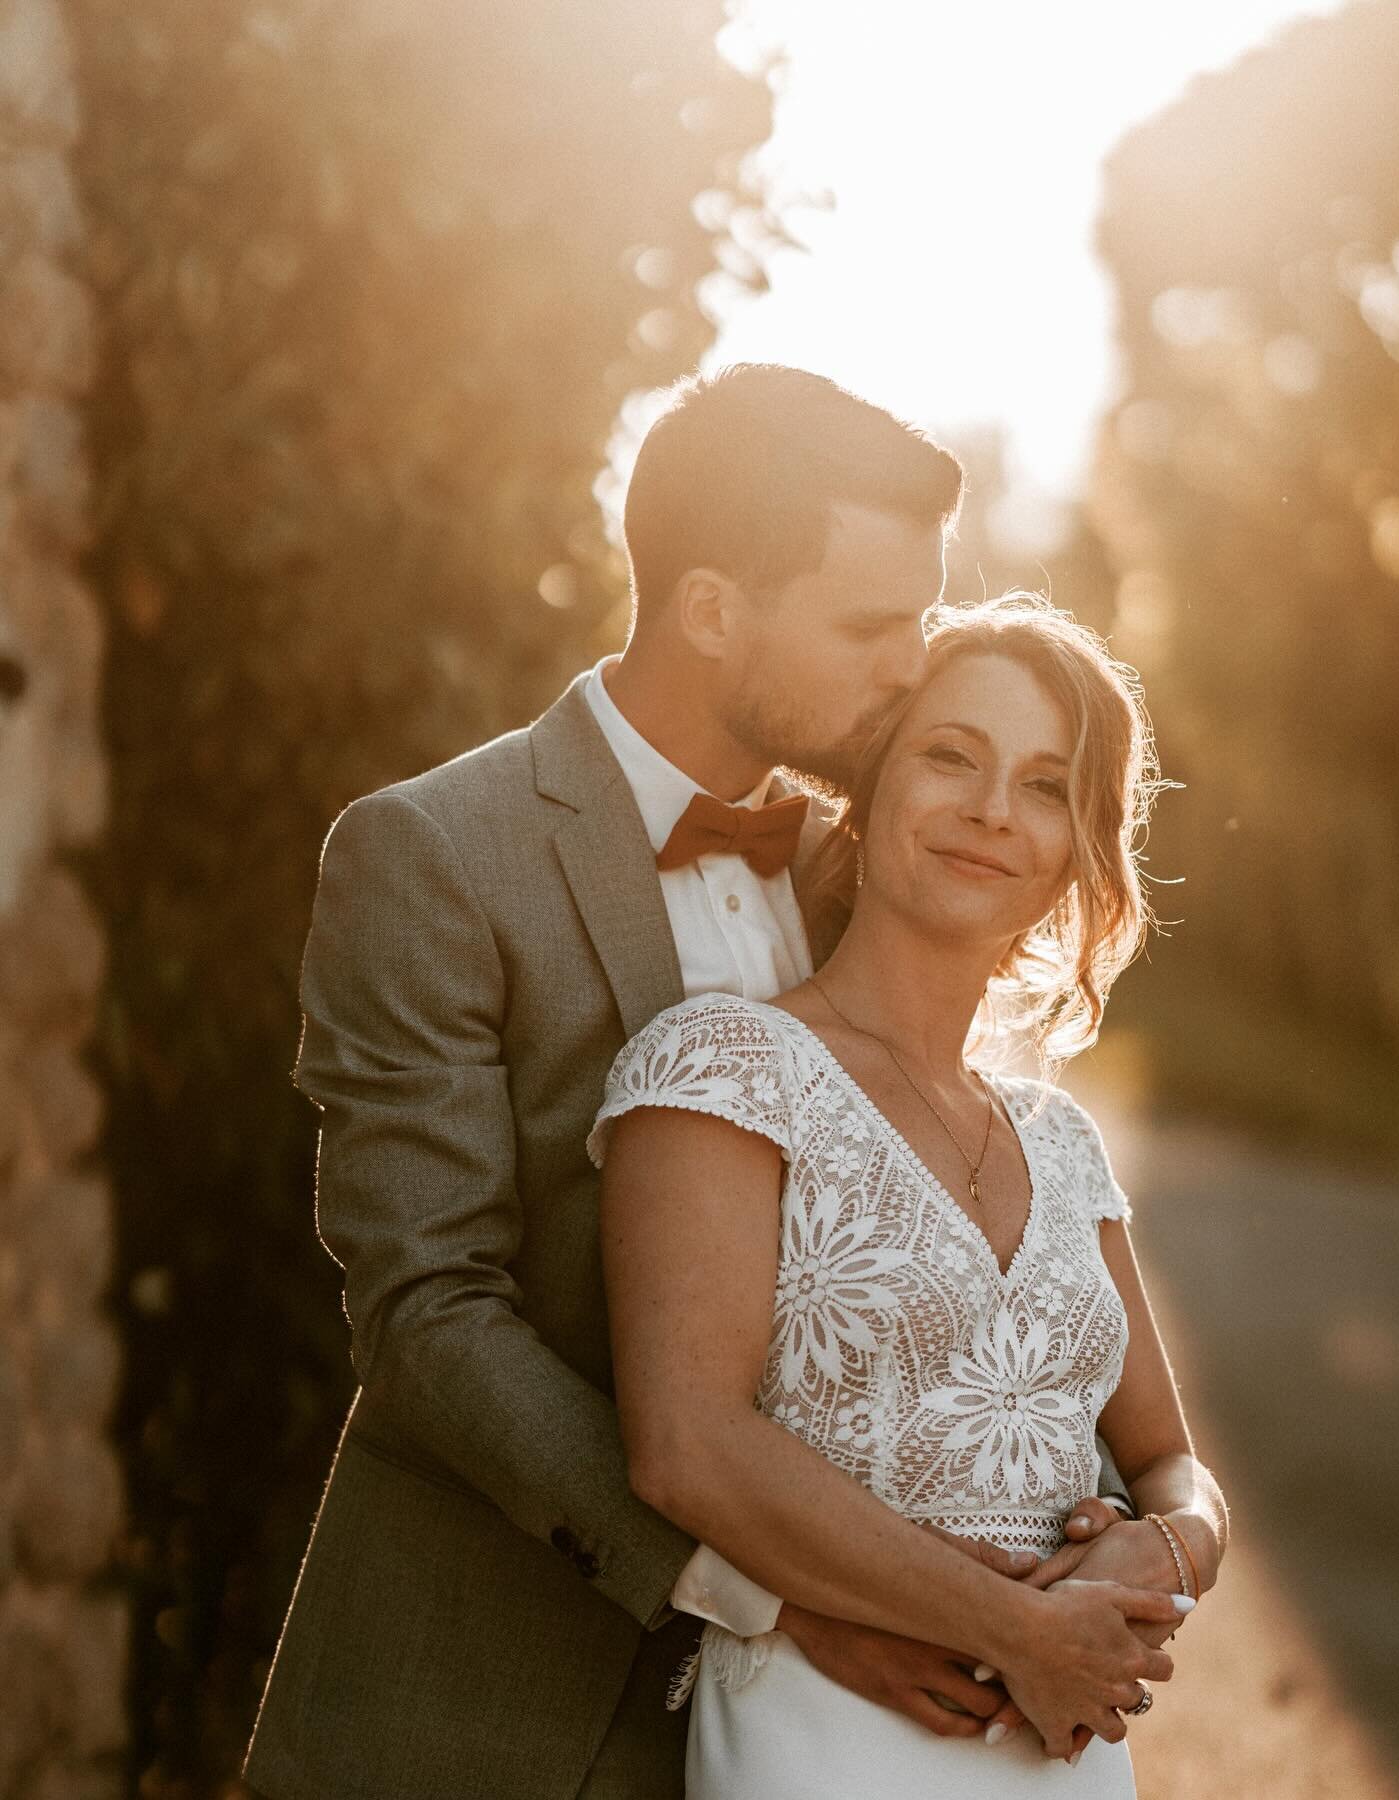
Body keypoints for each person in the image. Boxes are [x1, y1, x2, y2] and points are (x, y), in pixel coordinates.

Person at [247, 364, 1023, 1800]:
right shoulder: (430, 859)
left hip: (828, 1745)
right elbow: (428, 1317)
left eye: (920, 616)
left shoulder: (868, 867)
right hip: (478, 1711)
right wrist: (778, 1588)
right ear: (713, 608)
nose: (913, 665)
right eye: (871, 623)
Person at [592, 595, 1227, 1797]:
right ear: (867, 787)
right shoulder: (723, 1065)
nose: (993, 810)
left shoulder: (1063, 1140)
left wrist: (1166, 1547)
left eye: (1046, 787)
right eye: (952, 756)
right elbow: (686, 1445)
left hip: (1071, 1758)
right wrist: (1018, 1632)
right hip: (821, 1742)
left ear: (1075, 855)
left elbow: (1173, 1463)